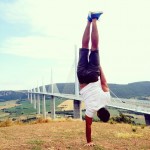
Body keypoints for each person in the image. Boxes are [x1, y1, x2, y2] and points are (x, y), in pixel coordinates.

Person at [77, 11, 111, 146]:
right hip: (82, 80)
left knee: (94, 48)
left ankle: (94, 19)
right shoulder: (91, 110)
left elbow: (104, 82)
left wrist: (99, 67)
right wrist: (89, 141)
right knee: (84, 48)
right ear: (98, 115)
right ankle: (88, 20)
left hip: (93, 74)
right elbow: (88, 126)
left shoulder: (107, 99)